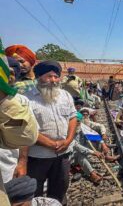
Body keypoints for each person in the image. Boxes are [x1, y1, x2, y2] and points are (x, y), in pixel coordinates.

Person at [25, 60, 77, 204]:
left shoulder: (65, 95)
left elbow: (73, 118)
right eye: (49, 76)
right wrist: (50, 143)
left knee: (60, 187)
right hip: (38, 156)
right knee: (35, 191)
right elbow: (26, 128)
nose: (53, 80)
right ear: (39, 77)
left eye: (56, 76)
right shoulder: (27, 98)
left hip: (63, 154)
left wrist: (68, 140)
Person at [0, 45, 39, 206]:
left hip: (10, 161)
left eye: (22, 61)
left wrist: (22, 161)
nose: (20, 65)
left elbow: (26, 135)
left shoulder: (16, 98)